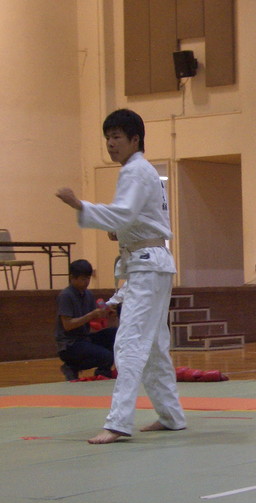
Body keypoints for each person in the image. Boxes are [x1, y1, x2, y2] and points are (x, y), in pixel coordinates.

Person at [55, 108, 186, 444]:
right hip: (153, 263)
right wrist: (123, 232)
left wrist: (80, 205)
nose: (110, 144)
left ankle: (118, 423)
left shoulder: (135, 171)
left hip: (147, 265)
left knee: (129, 343)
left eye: (116, 137)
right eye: (107, 138)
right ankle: (171, 415)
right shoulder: (145, 171)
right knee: (153, 346)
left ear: (135, 139)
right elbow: (140, 218)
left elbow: (123, 213)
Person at [56, 259, 117, 381]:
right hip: (69, 344)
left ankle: (102, 371)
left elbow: (95, 320)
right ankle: (74, 366)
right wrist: (91, 315)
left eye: (88, 278)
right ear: (72, 278)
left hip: (85, 338)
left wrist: (106, 313)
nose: (87, 282)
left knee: (115, 335)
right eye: (83, 279)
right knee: (106, 356)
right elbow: (67, 325)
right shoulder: (66, 296)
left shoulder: (88, 294)